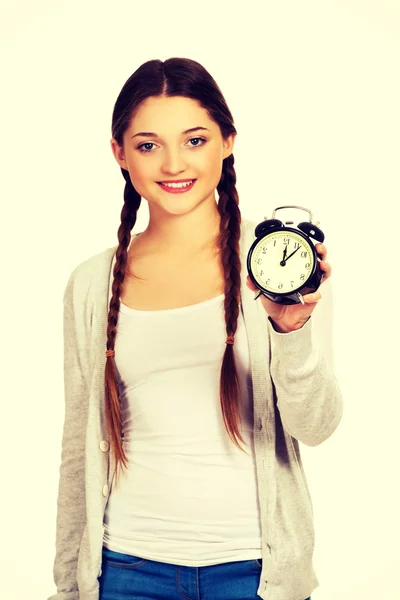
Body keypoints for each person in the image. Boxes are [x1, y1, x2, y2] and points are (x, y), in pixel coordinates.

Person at [48, 57, 343, 600]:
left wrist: (291, 330)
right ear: (119, 154)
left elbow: (317, 425)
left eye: (195, 139)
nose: (173, 163)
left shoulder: (279, 264)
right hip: (127, 570)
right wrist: (71, 585)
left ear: (228, 142)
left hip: (254, 573)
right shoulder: (92, 284)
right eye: (147, 144)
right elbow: (77, 448)